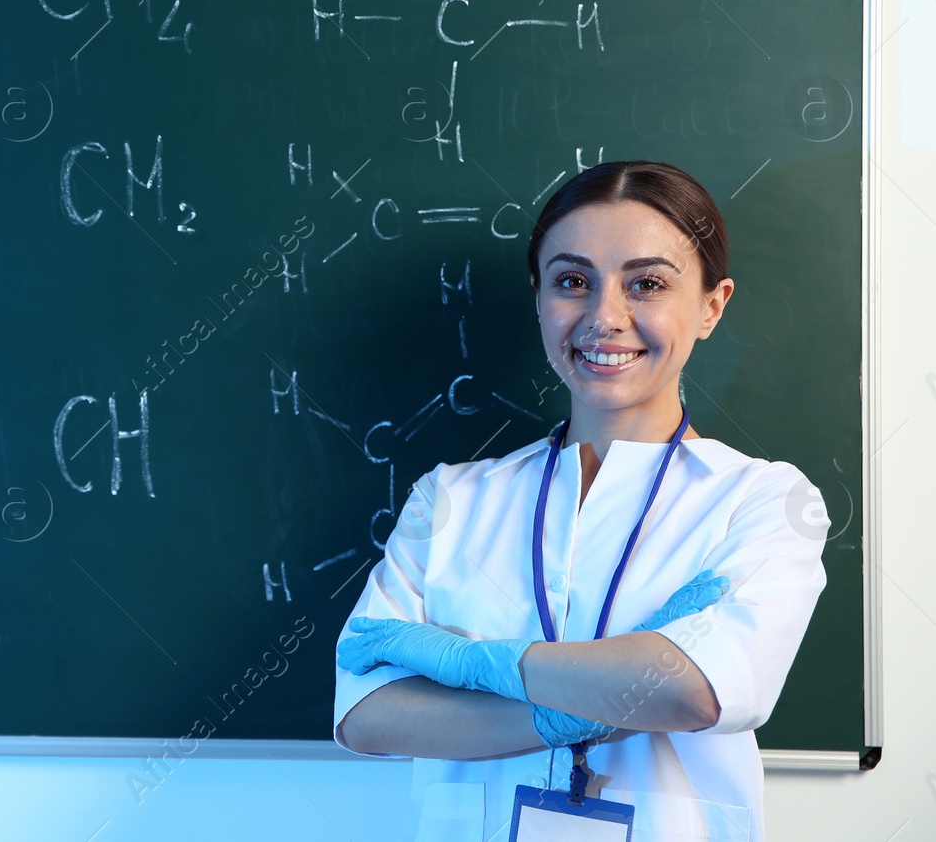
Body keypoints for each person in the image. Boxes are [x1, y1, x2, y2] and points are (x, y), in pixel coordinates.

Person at [333, 160, 829, 842]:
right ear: (539, 296)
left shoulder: (763, 500)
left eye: (647, 283)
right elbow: (366, 712)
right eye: (572, 281)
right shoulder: (449, 498)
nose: (604, 317)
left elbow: (697, 689)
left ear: (712, 305)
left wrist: (479, 664)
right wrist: (571, 711)